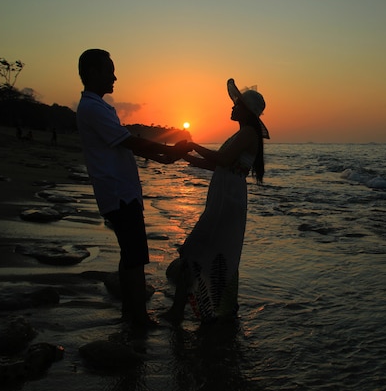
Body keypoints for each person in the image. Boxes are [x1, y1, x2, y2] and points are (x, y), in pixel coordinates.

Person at [76, 48, 189, 328]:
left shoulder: (99, 107)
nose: (115, 76)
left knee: (130, 254)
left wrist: (165, 156)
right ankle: (139, 318)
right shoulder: (91, 108)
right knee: (136, 256)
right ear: (93, 73)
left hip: (122, 190)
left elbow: (128, 144)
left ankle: (130, 311)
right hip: (118, 192)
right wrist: (167, 151)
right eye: (109, 70)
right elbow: (130, 142)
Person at [164, 78, 269, 325]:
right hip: (227, 195)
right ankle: (209, 311)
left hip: (228, 199)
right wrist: (187, 157)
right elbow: (217, 164)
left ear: (246, 110)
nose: (232, 107)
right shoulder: (243, 133)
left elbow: (221, 160)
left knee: (195, 249)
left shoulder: (247, 133)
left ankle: (180, 312)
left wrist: (191, 145)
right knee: (214, 251)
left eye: (237, 104)